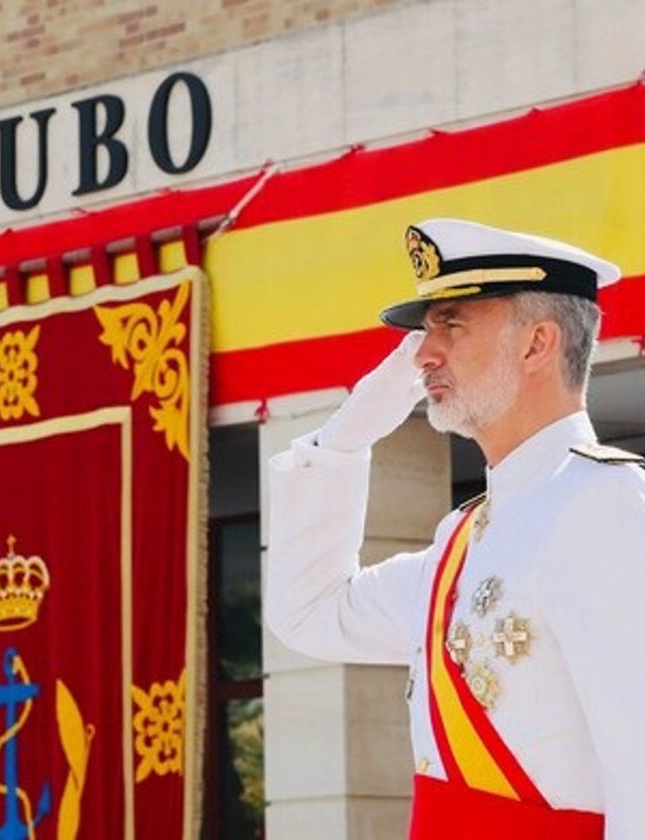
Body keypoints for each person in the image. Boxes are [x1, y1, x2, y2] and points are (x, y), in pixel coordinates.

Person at [264, 218, 645, 839]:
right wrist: (344, 440)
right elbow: (309, 613)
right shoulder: (463, 538)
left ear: (536, 344)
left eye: (452, 324)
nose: (422, 353)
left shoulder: (605, 505)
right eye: (426, 328)